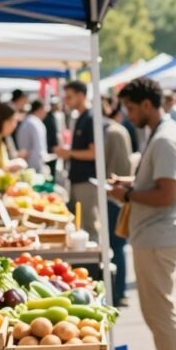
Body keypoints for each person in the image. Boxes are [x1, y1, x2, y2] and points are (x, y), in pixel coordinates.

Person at [108, 77, 176, 350]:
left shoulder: (165, 138)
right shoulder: (162, 134)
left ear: (146, 104)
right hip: (156, 234)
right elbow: (159, 183)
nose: (128, 114)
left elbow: (166, 193)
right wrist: (130, 183)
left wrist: (127, 192)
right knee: (157, 308)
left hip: (159, 234)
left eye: (130, 107)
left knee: (160, 309)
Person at [55, 81, 102, 241]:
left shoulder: (90, 118)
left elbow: (94, 153)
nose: (66, 101)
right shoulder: (80, 117)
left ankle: (97, 262)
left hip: (87, 181)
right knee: (79, 224)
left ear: (81, 96)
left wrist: (69, 153)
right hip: (78, 179)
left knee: (89, 225)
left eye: (70, 97)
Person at [102, 100, 134, 308]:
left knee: (117, 245)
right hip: (117, 195)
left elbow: (116, 166)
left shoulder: (113, 132)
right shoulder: (117, 131)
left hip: (115, 197)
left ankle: (119, 291)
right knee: (118, 246)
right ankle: (119, 290)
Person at [15, 100, 49, 173]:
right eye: (44, 110)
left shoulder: (32, 122)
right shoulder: (32, 123)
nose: (46, 113)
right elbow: (25, 148)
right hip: (32, 164)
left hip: (34, 162)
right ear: (40, 109)